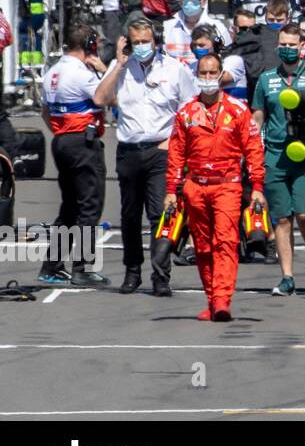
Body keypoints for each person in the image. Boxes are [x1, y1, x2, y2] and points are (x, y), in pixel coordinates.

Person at [93, 17, 198, 296]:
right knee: (129, 215)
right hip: (129, 151)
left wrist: (175, 142)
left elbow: (191, 110)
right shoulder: (122, 69)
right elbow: (100, 99)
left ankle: (160, 275)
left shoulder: (176, 70)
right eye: (135, 42)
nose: (141, 46)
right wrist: (118, 63)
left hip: (161, 151)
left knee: (159, 214)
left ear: (156, 41)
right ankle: (132, 271)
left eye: (145, 41)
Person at [166, 54, 267, 322]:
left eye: (213, 73)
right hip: (195, 186)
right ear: (197, 75)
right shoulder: (186, 113)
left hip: (228, 186)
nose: (208, 78)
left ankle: (223, 299)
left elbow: (254, 150)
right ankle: (211, 300)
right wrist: (171, 190)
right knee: (202, 246)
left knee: (225, 242)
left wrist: (256, 186)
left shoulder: (238, 110)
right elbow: (176, 154)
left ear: (221, 74)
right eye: (204, 73)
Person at [252, 25, 305, 297]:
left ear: (301, 47)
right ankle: (287, 276)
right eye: (283, 44)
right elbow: (258, 116)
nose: (287, 48)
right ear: (277, 46)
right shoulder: (266, 80)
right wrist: (251, 148)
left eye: (292, 44)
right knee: (282, 219)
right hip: (274, 155)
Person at [38, 23, 109, 287]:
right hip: (82, 143)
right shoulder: (82, 74)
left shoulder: (52, 72)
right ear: (89, 45)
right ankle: (82, 267)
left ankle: (52, 266)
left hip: (62, 141)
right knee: (90, 205)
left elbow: (45, 112)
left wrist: (62, 132)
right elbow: (106, 98)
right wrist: (107, 70)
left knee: (69, 206)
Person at [163, 0, 231, 66]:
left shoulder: (218, 27)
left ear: (204, 1)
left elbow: (227, 58)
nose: (189, 1)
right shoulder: (167, 27)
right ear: (180, 0)